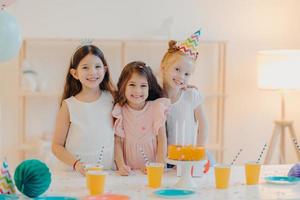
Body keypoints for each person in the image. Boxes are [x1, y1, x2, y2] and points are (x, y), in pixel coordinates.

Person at [52, 43, 116, 175]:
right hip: (74, 174)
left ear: (105, 69)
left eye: (97, 66)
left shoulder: (113, 99)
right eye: (85, 67)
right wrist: (76, 164)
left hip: (106, 173)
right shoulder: (68, 105)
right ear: (75, 73)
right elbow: (56, 146)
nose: (92, 72)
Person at [113, 61, 169, 176]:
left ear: (149, 87)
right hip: (129, 173)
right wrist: (121, 165)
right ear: (123, 85)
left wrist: (158, 166)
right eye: (132, 85)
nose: (138, 91)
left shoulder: (156, 108)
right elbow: (117, 142)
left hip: (152, 172)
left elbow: (162, 140)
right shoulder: (120, 110)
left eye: (143, 86)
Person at [160, 30, 208, 150]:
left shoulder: (191, 95)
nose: (181, 76)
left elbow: (203, 126)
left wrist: (199, 150)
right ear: (164, 67)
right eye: (177, 69)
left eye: (187, 74)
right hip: (161, 159)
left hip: (186, 159)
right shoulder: (154, 97)